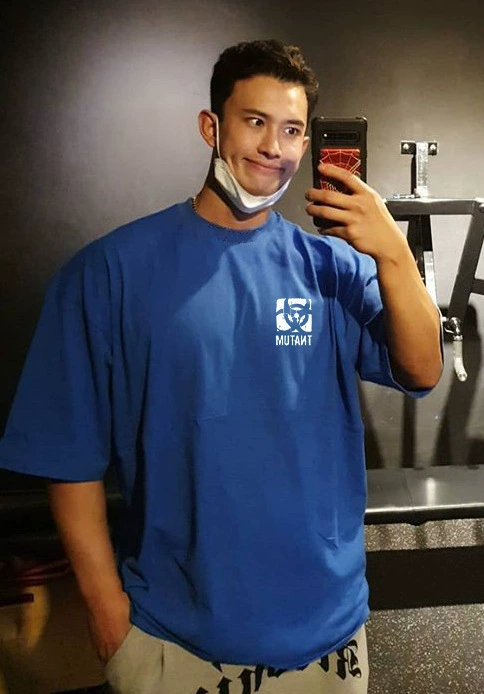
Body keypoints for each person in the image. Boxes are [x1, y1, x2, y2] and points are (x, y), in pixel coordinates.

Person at [0, 39, 442, 694]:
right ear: (212, 127)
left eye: (290, 129)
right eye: (254, 121)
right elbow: (67, 457)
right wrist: (107, 616)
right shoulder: (110, 273)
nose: (273, 147)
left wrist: (395, 255)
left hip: (328, 632)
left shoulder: (332, 269)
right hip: (175, 634)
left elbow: (423, 369)